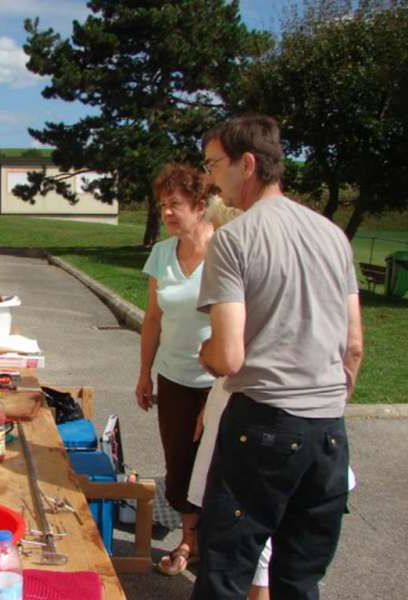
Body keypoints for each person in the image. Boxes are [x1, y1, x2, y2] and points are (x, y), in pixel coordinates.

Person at [193, 114, 364, 599]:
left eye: (214, 165)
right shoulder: (333, 235)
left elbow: (227, 357)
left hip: (263, 425)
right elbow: (353, 346)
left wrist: (205, 352)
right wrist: (329, 401)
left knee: (225, 573)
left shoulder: (233, 239)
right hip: (329, 430)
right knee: (298, 578)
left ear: (247, 164)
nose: (209, 177)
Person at [135, 163, 216, 575]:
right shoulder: (162, 253)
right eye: (163, 205)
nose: (166, 213)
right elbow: (152, 318)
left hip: (219, 382)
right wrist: (144, 372)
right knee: (180, 463)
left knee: (217, 464)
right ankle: (189, 541)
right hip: (173, 377)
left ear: (200, 206)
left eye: (175, 205)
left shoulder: (224, 250)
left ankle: (218, 544)